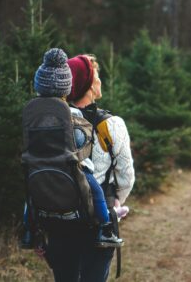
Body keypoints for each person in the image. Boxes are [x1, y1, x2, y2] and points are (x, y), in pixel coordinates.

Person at [45, 53, 135, 282]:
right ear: (88, 84)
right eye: (96, 76)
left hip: (59, 220)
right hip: (96, 221)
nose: (100, 81)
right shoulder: (111, 124)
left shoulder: (53, 122)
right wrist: (115, 203)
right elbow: (126, 176)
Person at [21, 48, 123, 250]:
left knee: (30, 195)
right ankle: (105, 228)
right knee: (94, 189)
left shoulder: (32, 110)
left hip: (36, 162)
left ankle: (28, 230)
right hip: (69, 162)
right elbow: (80, 138)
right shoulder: (71, 112)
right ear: (66, 88)